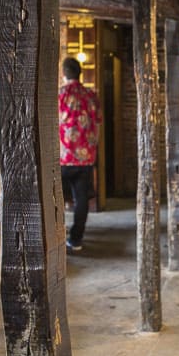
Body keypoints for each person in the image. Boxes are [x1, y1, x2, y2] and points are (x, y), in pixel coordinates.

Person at [59, 57, 101, 252]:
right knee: (81, 199)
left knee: (54, 199)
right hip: (85, 157)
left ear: (64, 74)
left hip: (62, 156)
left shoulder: (59, 95)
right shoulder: (91, 96)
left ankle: (55, 238)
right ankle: (76, 240)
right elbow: (98, 126)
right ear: (80, 73)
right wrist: (93, 149)